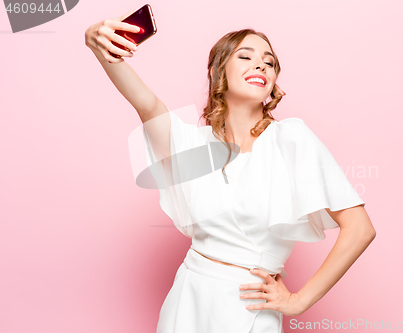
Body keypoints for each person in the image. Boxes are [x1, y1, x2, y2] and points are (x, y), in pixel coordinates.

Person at [85, 9, 376, 333]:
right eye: (246, 56)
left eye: (269, 61)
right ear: (218, 70)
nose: (261, 65)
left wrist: (299, 301)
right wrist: (99, 46)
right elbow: (147, 104)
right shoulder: (192, 145)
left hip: (250, 309)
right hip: (189, 301)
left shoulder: (291, 138)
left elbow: (360, 228)